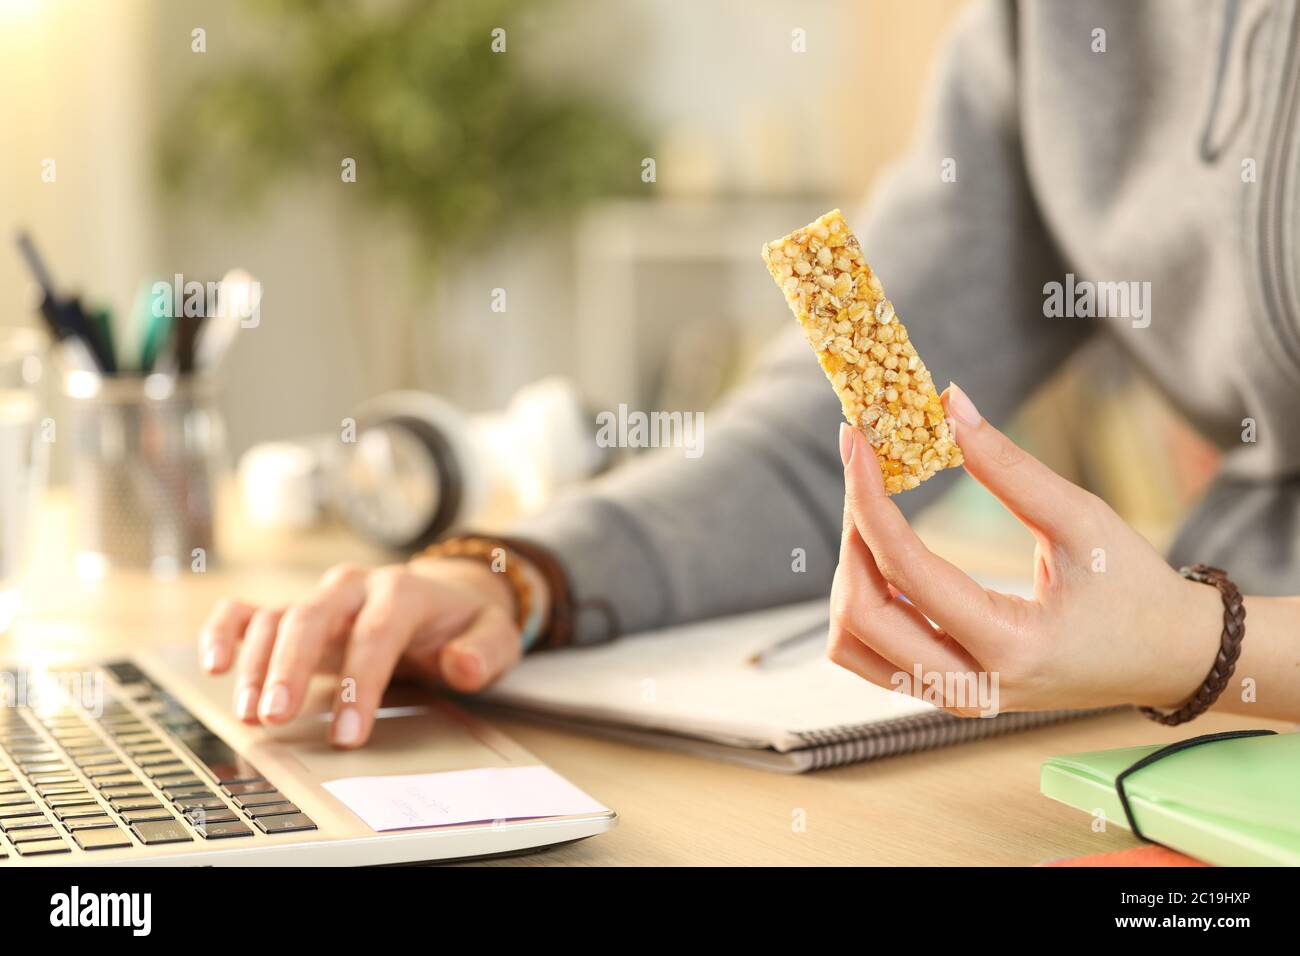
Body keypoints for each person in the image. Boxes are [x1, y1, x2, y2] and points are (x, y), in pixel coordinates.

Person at [199, 0, 1300, 746]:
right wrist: (511, 571)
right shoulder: (1039, 26)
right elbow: (824, 433)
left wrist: (1195, 640)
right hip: (1199, 736)